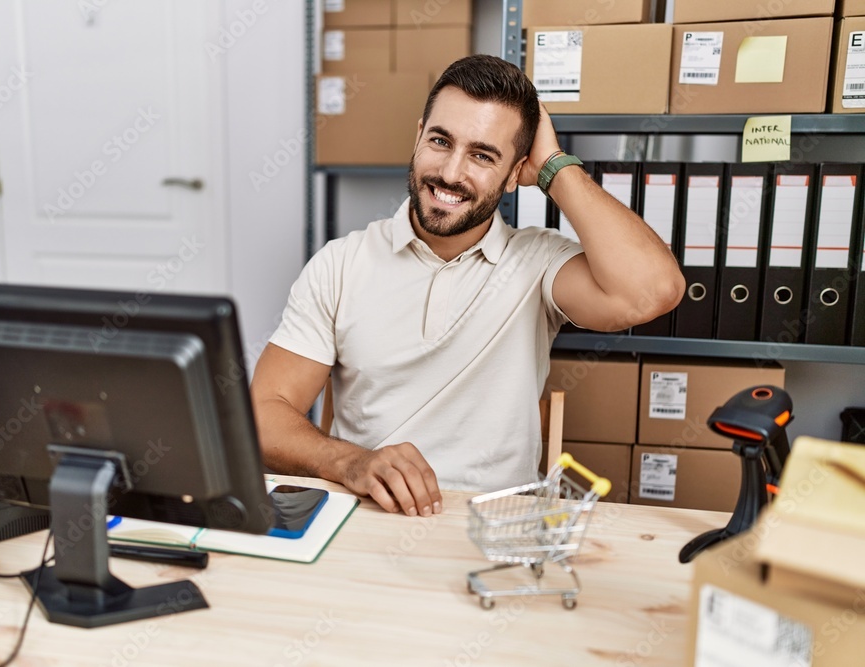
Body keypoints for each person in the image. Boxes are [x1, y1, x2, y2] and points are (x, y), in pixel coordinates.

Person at [250, 55, 684, 518]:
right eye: (440, 141)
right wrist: (349, 461)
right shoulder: (340, 264)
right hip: (370, 516)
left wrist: (557, 168)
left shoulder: (539, 262)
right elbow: (262, 416)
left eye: (482, 155)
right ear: (418, 136)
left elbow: (653, 291)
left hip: (495, 528)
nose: (451, 173)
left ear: (518, 172)